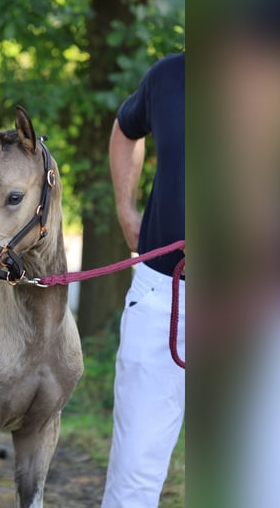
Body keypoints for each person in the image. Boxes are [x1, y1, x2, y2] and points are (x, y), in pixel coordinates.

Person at [102, 52, 185, 508]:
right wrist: (125, 210)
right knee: (133, 476)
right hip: (161, 296)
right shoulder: (167, 77)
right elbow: (125, 130)